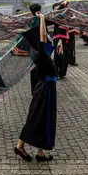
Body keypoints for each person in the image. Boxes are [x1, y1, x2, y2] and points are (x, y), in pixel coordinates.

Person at [15, 12, 56, 162]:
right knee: (37, 118)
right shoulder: (42, 54)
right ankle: (19, 146)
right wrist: (42, 19)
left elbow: (44, 38)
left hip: (46, 89)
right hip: (45, 91)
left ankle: (40, 152)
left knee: (42, 119)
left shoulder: (40, 55)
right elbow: (43, 37)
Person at [52, 3, 69, 80]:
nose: (58, 8)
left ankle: (61, 73)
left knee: (63, 56)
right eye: (56, 7)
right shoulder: (55, 15)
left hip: (63, 38)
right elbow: (61, 9)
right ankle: (55, 73)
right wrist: (64, 3)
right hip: (58, 38)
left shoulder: (64, 15)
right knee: (58, 55)